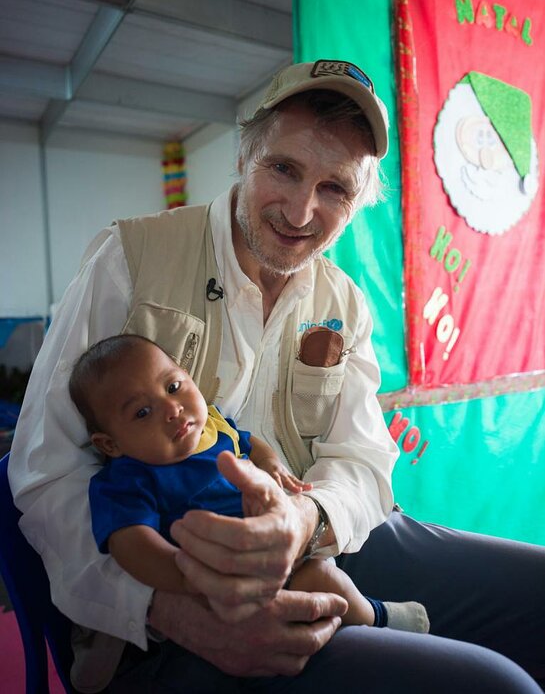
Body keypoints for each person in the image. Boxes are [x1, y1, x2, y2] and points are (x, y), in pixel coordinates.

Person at [8, 59, 545, 693]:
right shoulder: (128, 256)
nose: (301, 210)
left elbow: (363, 462)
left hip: (320, 547)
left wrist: (304, 518)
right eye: (284, 169)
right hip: (177, 583)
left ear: (357, 202)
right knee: (493, 685)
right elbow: (46, 476)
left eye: (335, 189)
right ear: (245, 156)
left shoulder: (344, 301)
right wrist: (168, 608)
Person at [69, 332, 429, 633]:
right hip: (227, 580)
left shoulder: (209, 423)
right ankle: (378, 621)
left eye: (174, 386)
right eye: (142, 412)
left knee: (324, 570)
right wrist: (189, 578)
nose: (172, 408)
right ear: (110, 444)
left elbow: (247, 440)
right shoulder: (128, 480)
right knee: (321, 580)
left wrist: (270, 463)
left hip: (278, 543)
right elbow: (131, 544)